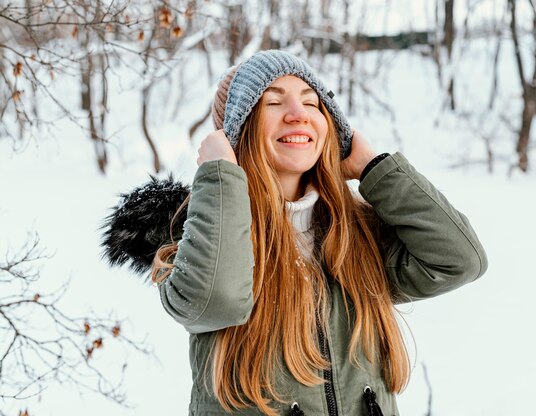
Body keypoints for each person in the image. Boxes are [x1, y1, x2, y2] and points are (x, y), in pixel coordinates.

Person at [150, 50, 488, 416]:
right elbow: (216, 301)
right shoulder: (205, 237)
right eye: (273, 102)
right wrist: (219, 175)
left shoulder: (355, 234)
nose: (298, 114)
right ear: (236, 131)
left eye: (312, 102)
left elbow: (460, 261)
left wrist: (372, 168)